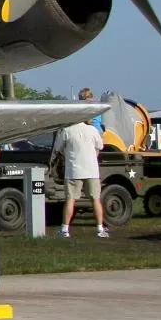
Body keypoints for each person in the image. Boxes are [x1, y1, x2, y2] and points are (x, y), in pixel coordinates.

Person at [57, 89, 107, 237]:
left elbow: (59, 148)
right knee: (95, 199)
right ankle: (99, 228)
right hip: (91, 170)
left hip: (74, 170)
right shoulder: (92, 130)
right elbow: (100, 146)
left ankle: (65, 229)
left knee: (70, 200)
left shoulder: (67, 131)